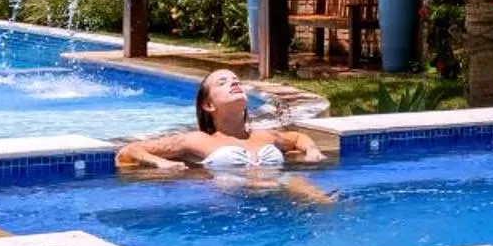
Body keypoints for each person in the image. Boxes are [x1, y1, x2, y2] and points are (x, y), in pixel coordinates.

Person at [115, 69, 333, 203]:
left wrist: (311, 149)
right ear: (208, 105)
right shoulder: (198, 140)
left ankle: (328, 209)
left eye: (236, 80)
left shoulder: (263, 136)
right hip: (228, 207)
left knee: (297, 184)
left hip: (280, 200)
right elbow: (128, 151)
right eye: (223, 82)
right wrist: (160, 163)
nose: (235, 83)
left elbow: (296, 138)